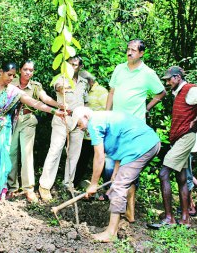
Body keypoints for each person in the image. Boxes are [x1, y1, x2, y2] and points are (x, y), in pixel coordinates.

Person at [0, 61, 66, 206]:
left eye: (13, 75)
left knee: (2, 162)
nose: (11, 78)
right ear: (1, 72)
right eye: (9, 74)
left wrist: (56, 111)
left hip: (4, 131)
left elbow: (35, 103)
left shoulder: (13, 91)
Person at [68, 107, 161, 242]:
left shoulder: (94, 123)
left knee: (118, 186)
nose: (80, 128)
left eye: (79, 124)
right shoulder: (104, 118)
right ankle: (129, 214)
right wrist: (116, 172)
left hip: (141, 146)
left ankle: (110, 233)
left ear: (85, 117)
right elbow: (121, 144)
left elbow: (99, 157)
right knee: (122, 180)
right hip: (148, 144)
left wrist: (93, 184)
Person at [149, 66, 197, 229]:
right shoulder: (179, 92)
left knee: (163, 174)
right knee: (181, 178)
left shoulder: (190, 90)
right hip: (180, 138)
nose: (167, 82)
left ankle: (169, 219)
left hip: (185, 138)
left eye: (169, 79)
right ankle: (185, 219)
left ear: (178, 77)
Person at [104, 39, 166, 220]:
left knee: (129, 168)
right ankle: (117, 205)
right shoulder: (119, 69)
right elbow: (112, 92)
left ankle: (129, 210)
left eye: (133, 50)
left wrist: (147, 108)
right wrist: (107, 114)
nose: (129, 52)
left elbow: (161, 92)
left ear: (141, 53)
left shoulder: (147, 73)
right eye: (128, 49)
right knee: (110, 167)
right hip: (115, 124)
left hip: (134, 128)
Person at [7, 60, 64, 203]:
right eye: (25, 69)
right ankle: (12, 187)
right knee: (11, 153)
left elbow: (44, 98)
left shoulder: (35, 86)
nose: (28, 72)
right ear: (20, 70)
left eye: (31, 70)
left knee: (27, 154)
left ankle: (28, 189)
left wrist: (59, 105)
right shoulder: (11, 82)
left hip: (28, 120)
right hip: (11, 121)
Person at [38, 56, 89, 201]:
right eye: (70, 64)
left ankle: (68, 183)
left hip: (78, 120)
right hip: (62, 119)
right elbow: (58, 88)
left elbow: (85, 102)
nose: (73, 67)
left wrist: (84, 118)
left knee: (74, 154)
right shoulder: (61, 78)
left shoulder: (84, 82)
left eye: (75, 65)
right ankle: (45, 185)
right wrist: (66, 86)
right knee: (55, 151)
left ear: (80, 66)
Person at [73, 70, 108, 187]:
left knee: (100, 159)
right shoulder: (83, 91)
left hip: (98, 132)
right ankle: (75, 182)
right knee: (82, 159)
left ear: (89, 81)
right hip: (85, 133)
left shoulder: (101, 91)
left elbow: (108, 111)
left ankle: (106, 186)